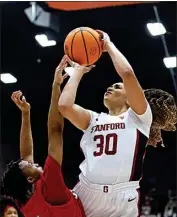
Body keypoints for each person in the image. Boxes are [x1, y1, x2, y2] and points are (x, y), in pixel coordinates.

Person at [58, 31, 177, 217]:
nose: (111, 87)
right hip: (88, 192)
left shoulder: (139, 117)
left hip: (123, 195)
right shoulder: (93, 119)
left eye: (117, 86)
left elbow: (127, 74)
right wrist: (78, 72)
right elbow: (64, 106)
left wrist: (108, 45)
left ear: (130, 98)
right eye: (110, 86)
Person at [0, 56, 86, 217]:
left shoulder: (24, 201)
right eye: (30, 165)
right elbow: (55, 131)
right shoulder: (51, 187)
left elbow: (26, 154)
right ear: (30, 180)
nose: (34, 162)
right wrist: (56, 85)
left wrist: (26, 113)